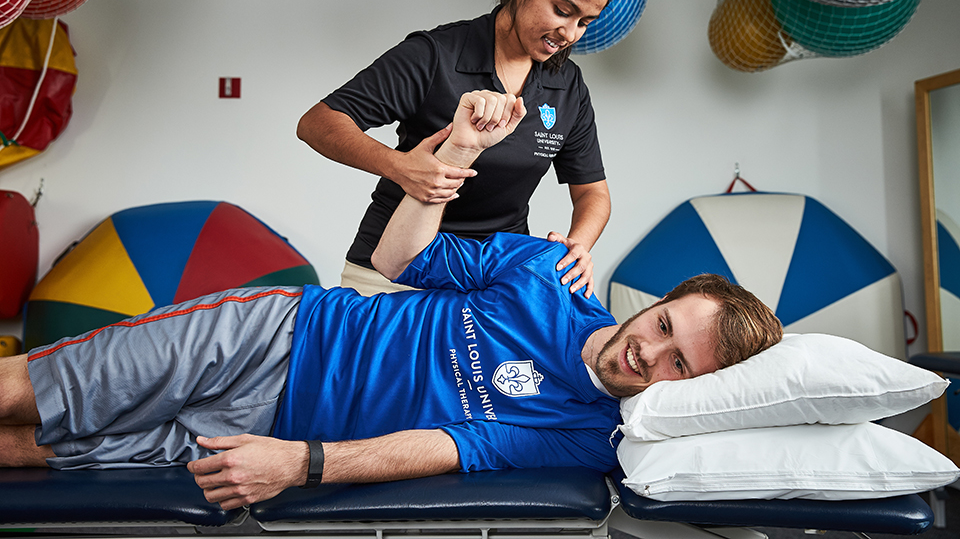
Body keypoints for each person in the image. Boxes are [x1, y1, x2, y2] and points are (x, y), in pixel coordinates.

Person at [0, 92, 783, 512]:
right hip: (277, 333)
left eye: (680, 365)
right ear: (663, 301)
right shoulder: (549, 271)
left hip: (274, 428)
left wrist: (300, 463)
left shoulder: (590, 434)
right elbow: (397, 257)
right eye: (666, 327)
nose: (650, 351)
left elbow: (450, 448)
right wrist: (455, 155)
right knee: (26, 391)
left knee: (40, 451)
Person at [297, 0, 616, 298]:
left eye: (585, 22)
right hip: (392, 270)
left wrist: (578, 245)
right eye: (562, 10)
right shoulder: (436, 56)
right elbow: (318, 122)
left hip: (489, 277)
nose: (569, 33)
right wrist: (401, 167)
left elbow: (592, 192)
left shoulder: (566, 86)